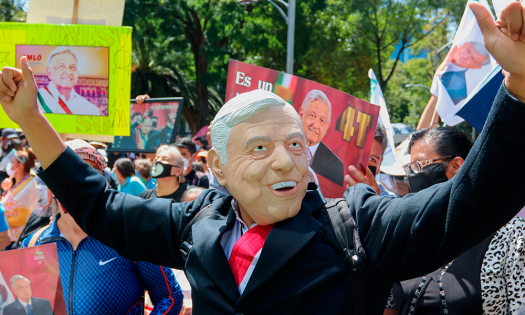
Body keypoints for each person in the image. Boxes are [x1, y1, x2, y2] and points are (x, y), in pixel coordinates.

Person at [1, 2, 524, 313]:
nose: (285, 162)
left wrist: (518, 87)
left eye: (295, 144)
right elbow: (99, 208)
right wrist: (30, 118)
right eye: (260, 148)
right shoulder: (198, 224)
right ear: (219, 166)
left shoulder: (359, 227)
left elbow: (471, 200)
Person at [21, 139, 183, 315]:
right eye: (65, 174)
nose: (76, 184)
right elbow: (23, 305)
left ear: (99, 182)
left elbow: (170, 297)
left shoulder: (130, 235)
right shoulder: (33, 244)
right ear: (52, 185)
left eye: (86, 173)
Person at [385, 127, 525, 314]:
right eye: (409, 168)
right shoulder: (407, 234)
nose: (412, 176)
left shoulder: (511, 235)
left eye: (419, 166)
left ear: (457, 166)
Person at [298, 89, 344, 186]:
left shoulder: (336, 166)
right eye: (312, 116)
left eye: (322, 120)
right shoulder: (282, 145)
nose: (316, 125)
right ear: (301, 114)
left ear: (327, 127)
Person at [36, 47, 100, 116]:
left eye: (73, 67)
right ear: (49, 72)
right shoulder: (35, 100)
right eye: (61, 66)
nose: (68, 72)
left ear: (77, 73)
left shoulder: (90, 110)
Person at [2, 149, 36, 249]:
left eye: (12, 162)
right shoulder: (19, 183)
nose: (9, 166)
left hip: (14, 241)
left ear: (20, 166)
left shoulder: (28, 186)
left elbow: (23, 219)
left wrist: (2, 221)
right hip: (9, 237)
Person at [367, 124, 395, 197]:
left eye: (371, 159)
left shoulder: (388, 201)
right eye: (358, 155)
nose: (364, 165)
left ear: (379, 165)